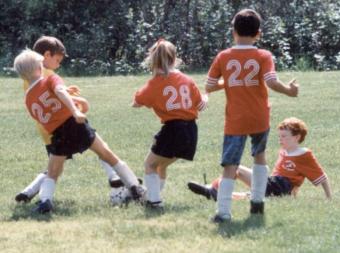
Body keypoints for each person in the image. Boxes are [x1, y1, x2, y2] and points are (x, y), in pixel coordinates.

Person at [13, 49, 144, 213]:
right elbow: (60, 91)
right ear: (40, 66)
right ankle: (135, 187)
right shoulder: (50, 78)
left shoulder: (27, 98)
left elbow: (41, 118)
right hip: (74, 124)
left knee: (53, 172)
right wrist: (75, 110)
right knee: (106, 154)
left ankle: (45, 201)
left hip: (58, 134)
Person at [205, 9, 299, 222]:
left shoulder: (223, 56)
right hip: (259, 116)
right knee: (259, 156)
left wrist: (228, 81)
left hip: (235, 120)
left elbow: (209, 86)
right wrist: (290, 91)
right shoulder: (263, 55)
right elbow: (272, 82)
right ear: (259, 34)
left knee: (230, 165)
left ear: (233, 32)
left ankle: (223, 212)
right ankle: (257, 202)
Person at [132, 39, 208, 209]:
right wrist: (206, 98)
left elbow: (137, 101)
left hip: (173, 129)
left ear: (152, 60)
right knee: (161, 165)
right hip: (191, 130)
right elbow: (199, 104)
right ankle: (152, 195)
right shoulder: (187, 79)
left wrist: (138, 99)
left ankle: (154, 201)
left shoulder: (155, 83)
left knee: (150, 165)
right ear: (174, 59)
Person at [188, 117, 332, 201]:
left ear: (297, 137)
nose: (280, 140)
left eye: (284, 136)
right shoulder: (284, 151)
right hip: (273, 186)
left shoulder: (304, 154)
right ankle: (217, 194)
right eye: (279, 136)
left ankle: (212, 190)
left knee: (236, 169)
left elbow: (322, 178)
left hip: (281, 187)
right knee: (247, 196)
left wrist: (329, 199)